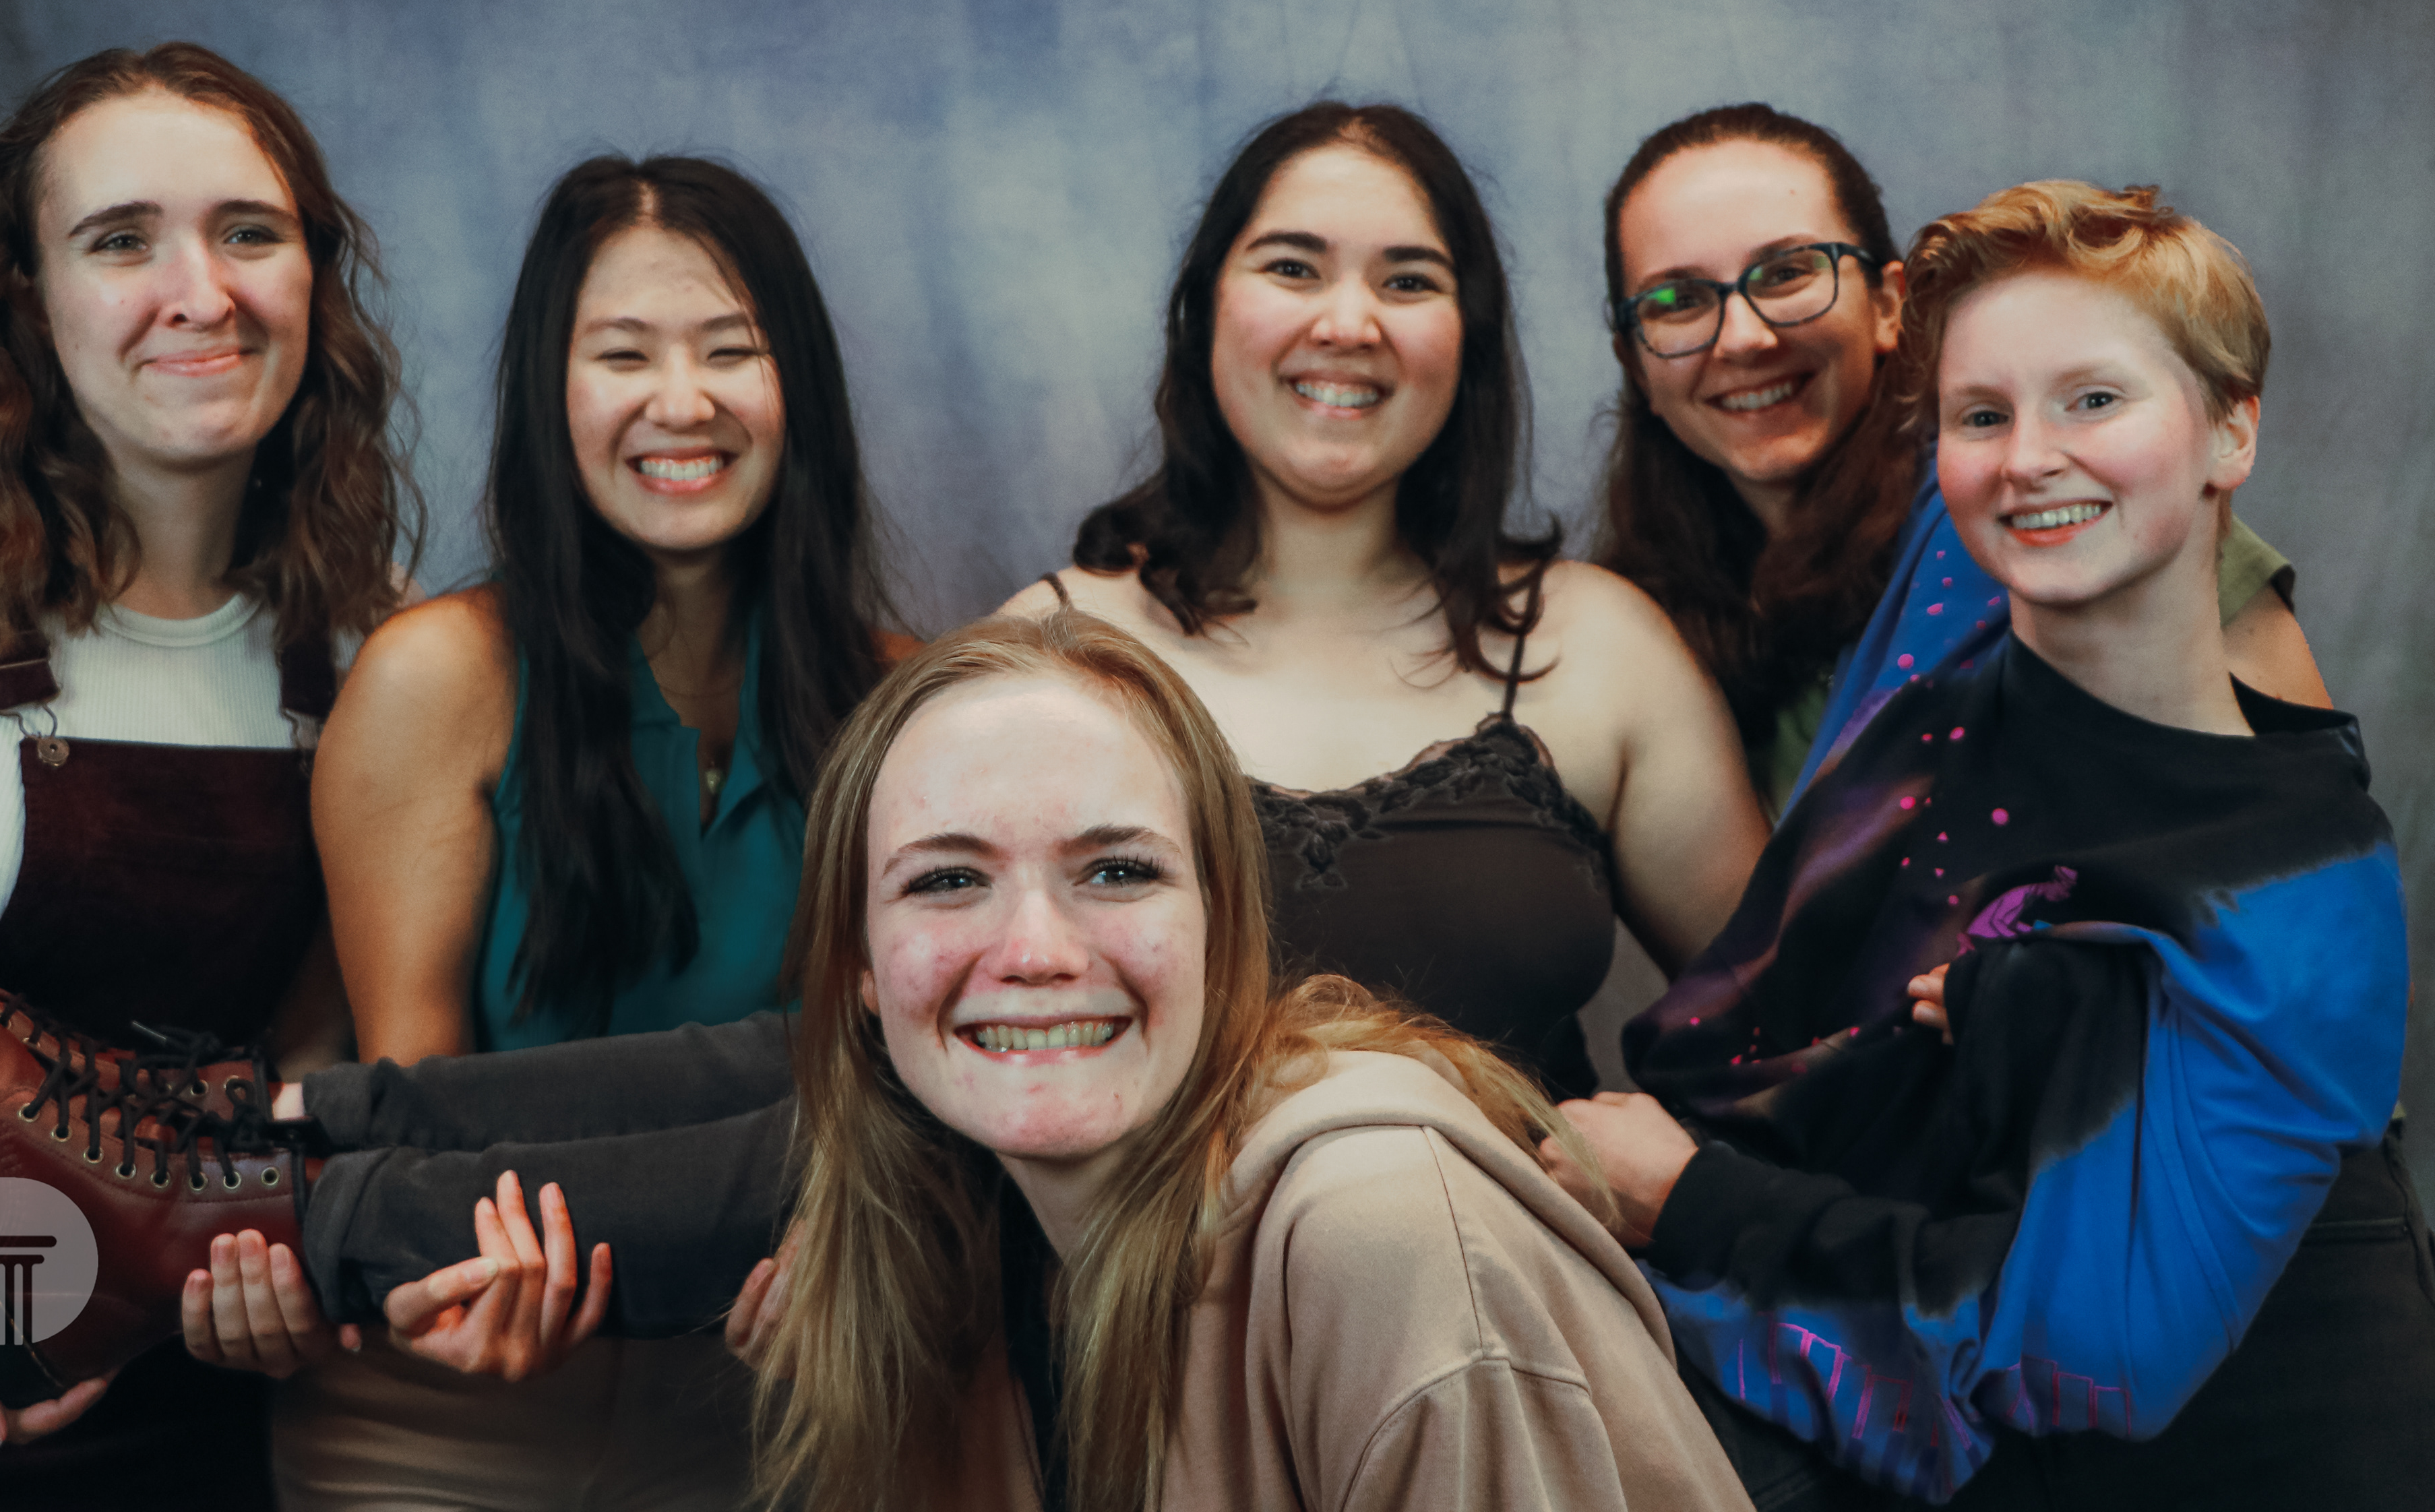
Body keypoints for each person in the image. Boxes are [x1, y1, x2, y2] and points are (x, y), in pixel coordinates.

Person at [0, 610, 1759, 1511]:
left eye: (1116, 869)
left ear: (1231, 922)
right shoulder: (990, 1216)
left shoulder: (1376, 1222)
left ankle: (159, 1218)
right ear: (854, 954)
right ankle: (175, 1179)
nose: (1034, 943)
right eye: (946, 880)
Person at [1561, 182, 2435, 1507]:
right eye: (1982, 416)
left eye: (2094, 400)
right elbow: (1751, 1052)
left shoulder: (2299, 871)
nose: (2029, 457)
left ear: (2231, 430)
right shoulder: (1917, 743)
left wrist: (1693, 1203)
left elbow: (2084, 1363)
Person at [247, 155, 904, 1507]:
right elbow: (423, 1116)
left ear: (801, 388)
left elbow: (887, 1112)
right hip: (453, 1403)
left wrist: (862, 1257)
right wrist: (469, 1266)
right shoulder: (443, 675)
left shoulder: (908, 704)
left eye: (733, 350)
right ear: (554, 395)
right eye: (623, 354)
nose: (684, 400)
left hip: (781, 1397)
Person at [0, 43, 417, 1507]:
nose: (200, 292)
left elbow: (319, 1048)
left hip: (182, 1402)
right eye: (120, 240)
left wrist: (279, 1264)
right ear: (29, 300)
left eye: (249, 231)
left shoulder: (374, 640)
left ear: (314, 275)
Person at [1009, 100, 1770, 1102]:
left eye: (1409, 281)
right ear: (1204, 310)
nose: (1347, 324)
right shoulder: (1044, 657)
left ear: (1469, 338)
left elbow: (1790, 1039)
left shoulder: (1603, 646)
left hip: (1526, 1211)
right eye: (1293, 267)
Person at [1589, 104, 2326, 813]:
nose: (1743, 339)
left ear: (1889, 305)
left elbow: (2306, 828)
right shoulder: (1633, 637)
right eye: (1677, 300)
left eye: (1787, 273)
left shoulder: (2056, 513)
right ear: (1634, 361)